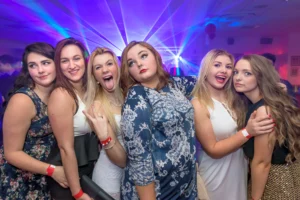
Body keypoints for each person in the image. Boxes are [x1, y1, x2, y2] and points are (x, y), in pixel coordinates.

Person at [191, 49, 274, 200]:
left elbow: (261, 89)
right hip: (215, 174)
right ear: (205, 70)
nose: (224, 70)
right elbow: (213, 150)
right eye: (217, 65)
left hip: (240, 170)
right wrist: (248, 132)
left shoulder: (238, 98)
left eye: (229, 67)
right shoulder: (198, 104)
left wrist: (278, 90)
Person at [120, 41, 197, 200]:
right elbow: (139, 160)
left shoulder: (173, 85)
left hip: (185, 186)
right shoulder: (137, 97)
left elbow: (203, 81)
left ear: (156, 57)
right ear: (130, 72)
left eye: (143, 56)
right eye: (132, 63)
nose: (139, 63)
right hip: (159, 191)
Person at [0, 42, 67, 199]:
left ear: (56, 63)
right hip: (21, 180)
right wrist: (52, 170)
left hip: (44, 177)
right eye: (33, 65)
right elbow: (12, 153)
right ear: (27, 70)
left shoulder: (58, 94)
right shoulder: (23, 100)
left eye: (45, 63)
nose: (40, 70)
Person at [233, 54, 300, 200]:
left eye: (247, 73)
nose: (238, 78)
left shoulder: (263, 110)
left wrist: (255, 198)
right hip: (287, 175)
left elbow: (262, 163)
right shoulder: (268, 102)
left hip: (274, 181)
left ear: (261, 77)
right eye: (236, 72)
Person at [47, 38, 99, 200]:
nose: (72, 65)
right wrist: (77, 193)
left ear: (85, 60)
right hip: (70, 178)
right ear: (59, 65)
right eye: (65, 61)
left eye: (76, 58)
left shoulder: (88, 89)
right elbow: (65, 148)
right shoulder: (61, 95)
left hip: (87, 168)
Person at [83, 47, 126, 199]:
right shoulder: (98, 107)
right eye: (98, 67)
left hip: (132, 179)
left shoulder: (130, 95)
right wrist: (105, 138)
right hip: (110, 182)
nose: (104, 70)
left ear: (118, 68)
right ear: (94, 76)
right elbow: (121, 161)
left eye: (109, 64)